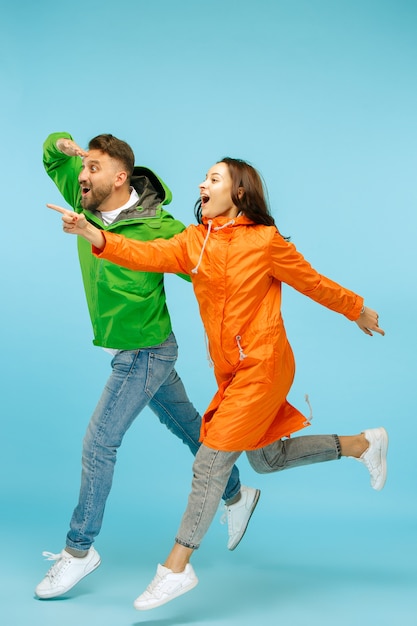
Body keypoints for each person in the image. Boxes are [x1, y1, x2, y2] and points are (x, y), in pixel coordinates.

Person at [49, 156, 388, 611]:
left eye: (213, 179)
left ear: (239, 193)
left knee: (210, 461)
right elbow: (147, 255)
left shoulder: (264, 242)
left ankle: (175, 567)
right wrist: (96, 236)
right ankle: (362, 445)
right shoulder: (195, 241)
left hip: (265, 366)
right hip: (232, 372)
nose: (201, 185)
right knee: (267, 459)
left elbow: (313, 283)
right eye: (204, 179)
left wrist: (356, 308)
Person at [35, 136, 260, 600]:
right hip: (131, 350)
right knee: (189, 428)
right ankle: (238, 493)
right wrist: (63, 145)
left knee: (99, 443)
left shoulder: (160, 227)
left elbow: (206, 264)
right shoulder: (86, 198)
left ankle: (79, 551)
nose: (81, 176)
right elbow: (51, 157)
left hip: (147, 352)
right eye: (82, 167)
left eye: (93, 167)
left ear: (119, 178)